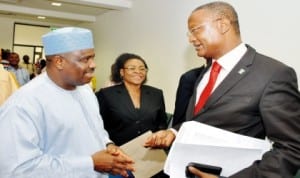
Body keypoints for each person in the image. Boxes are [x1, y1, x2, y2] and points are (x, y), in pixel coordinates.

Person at [144, 1, 300, 178]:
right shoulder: (206, 72)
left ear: (223, 25)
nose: (190, 39)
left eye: (195, 30)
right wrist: (174, 132)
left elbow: (291, 148)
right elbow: (201, 121)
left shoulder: (273, 74)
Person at [0, 27, 134, 178]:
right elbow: (17, 169)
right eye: (85, 59)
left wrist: (109, 145)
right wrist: (90, 163)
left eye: (93, 58)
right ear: (59, 62)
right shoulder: (24, 104)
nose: (93, 65)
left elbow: (96, 131)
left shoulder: (85, 90)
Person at [95, 53, 168, 146]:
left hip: (150, 150)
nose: (138, 71)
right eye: (132, 68)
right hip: (118, 150)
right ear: (122, 72)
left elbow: (162, 123)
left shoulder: (156, 93)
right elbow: (98, 126)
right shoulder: (106, 94)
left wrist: (158, 138)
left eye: (142, 69)